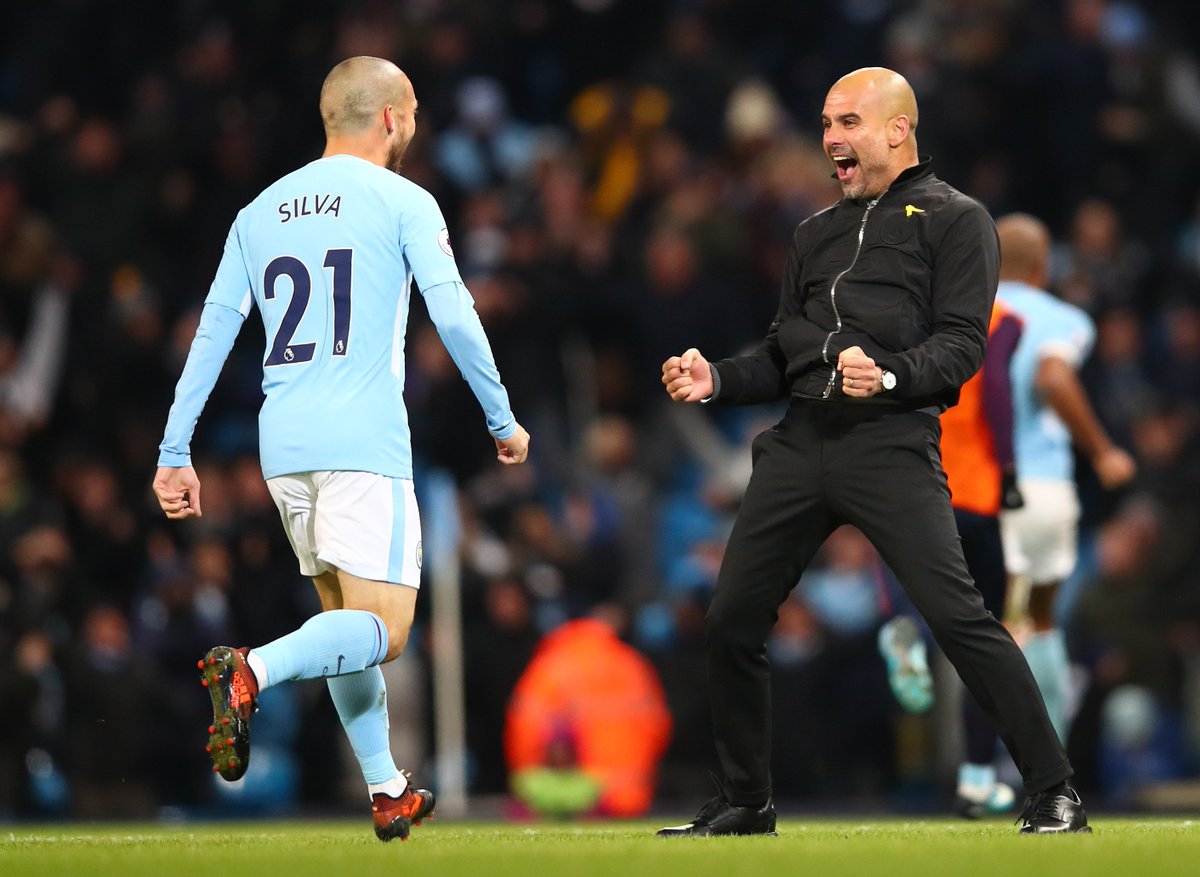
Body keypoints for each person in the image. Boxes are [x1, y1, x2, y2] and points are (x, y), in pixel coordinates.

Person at [657, 67, 1089, 836]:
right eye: (827, 123)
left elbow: (963, 346)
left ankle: (1053, 790)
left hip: (890, 440)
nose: (831, 138)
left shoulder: (959, 220)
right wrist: (716, 378)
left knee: (959, 619)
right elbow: (779, 356)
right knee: (731, 620)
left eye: (848, 121)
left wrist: (889, 374)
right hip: (799, 441)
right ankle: (747, 800)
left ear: (898, 129)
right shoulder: (811, 233)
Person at [152, 56, 531, 842]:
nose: (415, 123)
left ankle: (387, 788)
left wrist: (174, 448)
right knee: (385, 630)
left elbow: (211, 333)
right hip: (362, 440)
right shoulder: (403, 199)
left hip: (284, 446)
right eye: (413, 110)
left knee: (344, 627)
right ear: (391, 117)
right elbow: (454, 314)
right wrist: (501, 416)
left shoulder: (259, 211)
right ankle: (250, 669)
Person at [994, 213, 1136, 744]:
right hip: (1040, 488)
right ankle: (1048, 764)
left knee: (986, 628)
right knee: (1039, 621)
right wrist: (1102, 451)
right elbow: (1053, 376)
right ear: (1043, 267)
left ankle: (983, 767)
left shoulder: (960, 316)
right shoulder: (1061, 318)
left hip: (973, 491)